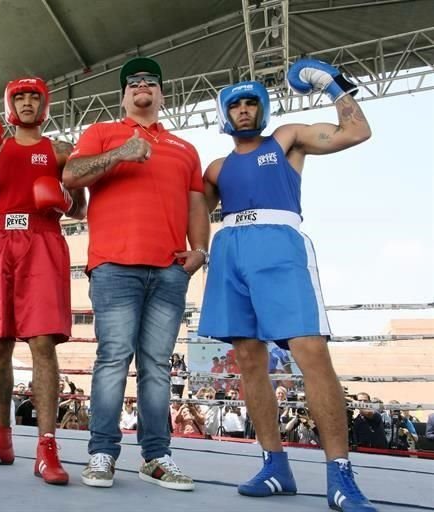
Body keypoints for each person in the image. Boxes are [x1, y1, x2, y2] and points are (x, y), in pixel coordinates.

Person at [197, 58, 374, 511]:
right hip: (229, 250)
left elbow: (357, 132)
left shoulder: (287, 139)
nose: (243, 109)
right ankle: (275, 464)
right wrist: (197, 247)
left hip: (279, 244)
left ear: (264, 109)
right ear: (223, 114)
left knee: (311, 351)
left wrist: (333, 85)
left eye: (251, 102)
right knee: (249, 361)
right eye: (234, 105)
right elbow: (194, 205)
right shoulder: (215, 168)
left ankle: (340, 474)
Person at [63, 56, 207, 491]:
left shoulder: (185, 148)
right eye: (133, 83)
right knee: (112, 359)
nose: (142, 86)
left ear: (162, 94)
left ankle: (157, 456)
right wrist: (121, 152)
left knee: (157, 366)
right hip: (114, 265)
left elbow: (196, 201)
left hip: (169, 268)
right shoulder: (102, 132)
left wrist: (200, 249)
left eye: (151, 82)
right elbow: (71, 176)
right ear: (124, 95)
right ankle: (102, 452)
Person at [0, 77, 86, 486]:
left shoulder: (60, 150)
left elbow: (79, 208)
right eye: (20, 97)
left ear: (45, 103)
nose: (27, 103)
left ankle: (47, 447)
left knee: (42, 342)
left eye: (34, 96)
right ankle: (1, 439)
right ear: (10, 104)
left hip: (42, 239)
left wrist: (63, 197)